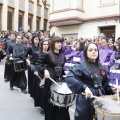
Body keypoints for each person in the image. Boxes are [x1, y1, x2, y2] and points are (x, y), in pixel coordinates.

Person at [65, 43, 120, 120]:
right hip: (86, 100)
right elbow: (69, 77)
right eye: (90, 50)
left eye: (95, 50)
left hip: (99, 100)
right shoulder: (80, 65)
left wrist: (112, 89)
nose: (93, 52)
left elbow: (105, 85)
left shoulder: (101, 67)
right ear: (85, 53)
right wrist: (84, 88)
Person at [36, 36, 70, 120]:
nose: (59, 44)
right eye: (57, 42)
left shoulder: (63, 55)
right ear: (53, 43)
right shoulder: (47, 54)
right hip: (50, 82)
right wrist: (45, 70)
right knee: (50, 105)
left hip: (60, 82)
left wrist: (65, 71)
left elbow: (61, 67)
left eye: (60, 43)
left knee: (61, 104)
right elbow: (39, 64)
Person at [30, 39, 50, 115]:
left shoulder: (50, 54)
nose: (46, 46)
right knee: (42, 91)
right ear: (41, 45)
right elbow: (32, 63)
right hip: (40, 74)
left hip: (49, 74)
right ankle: (42, 107)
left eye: (47, 44)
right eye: (44, 44)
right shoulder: (37, 54)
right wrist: (34, 70)